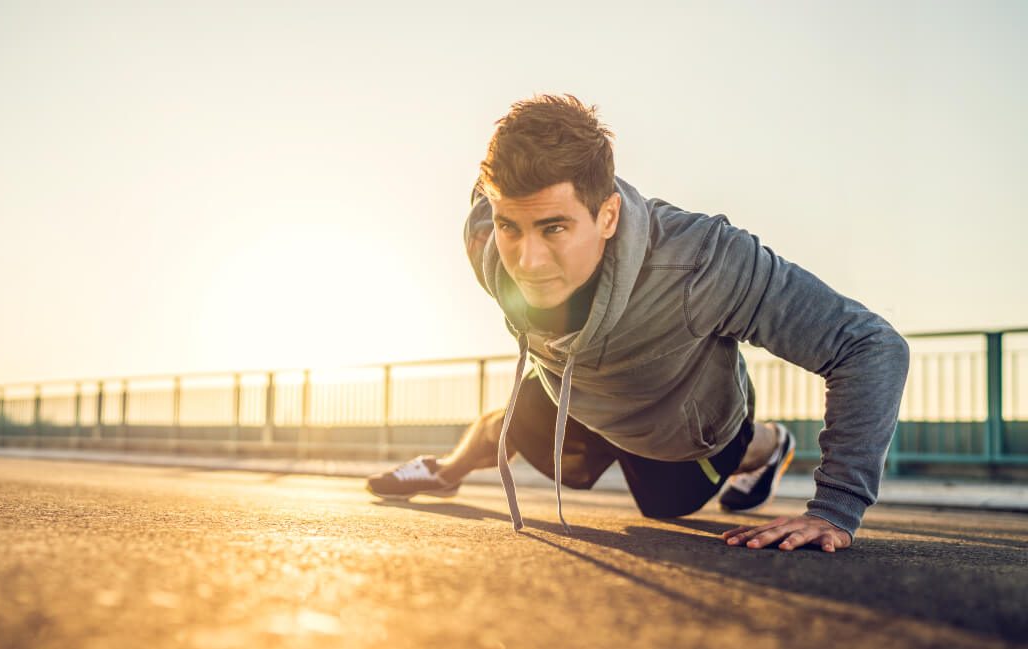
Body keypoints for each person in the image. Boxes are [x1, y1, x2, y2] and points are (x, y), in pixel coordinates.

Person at [366, 94, 909, 552]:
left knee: (664, 508)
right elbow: (489, 206)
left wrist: (836, 508)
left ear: (607, 215)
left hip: (682, 428)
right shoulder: (487, 239)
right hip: (580, 394)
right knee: (512, 419)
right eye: (513, 226)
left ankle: (767, 443)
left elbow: (869, 345)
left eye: (554, 229)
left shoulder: (701, 263)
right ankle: (442, 471)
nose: (528, 262)